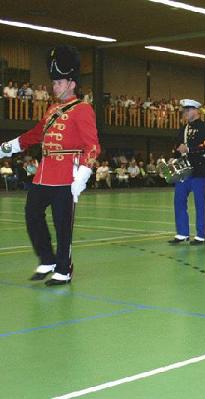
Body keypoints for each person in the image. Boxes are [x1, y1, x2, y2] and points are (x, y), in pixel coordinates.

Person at [0, 45, 100, 286]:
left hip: (68, 172)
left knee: (62, 223)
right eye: (54, 83)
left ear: (71, 84)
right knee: (32, 213)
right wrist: (7, 147)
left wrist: (82, 176)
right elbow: (36, 134)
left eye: (58, 83)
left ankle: (64, 269)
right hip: (45, 172)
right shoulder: (52, 108)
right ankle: (47, 258)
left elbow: (93, 146)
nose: (54, 87)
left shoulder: (83, 109)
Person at [168, 99, 205, 245]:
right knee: (179, 200)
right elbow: (177, 146)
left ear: (196, 110)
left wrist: (189, 149)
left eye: (188, 110)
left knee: (200, 202)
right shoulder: (183, 129)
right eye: (184, 111)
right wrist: (173, 158)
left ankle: (201, 234)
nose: (185, 113)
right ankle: (182, 232)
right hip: (183, 169)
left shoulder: (204, 127)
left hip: (198, 169)